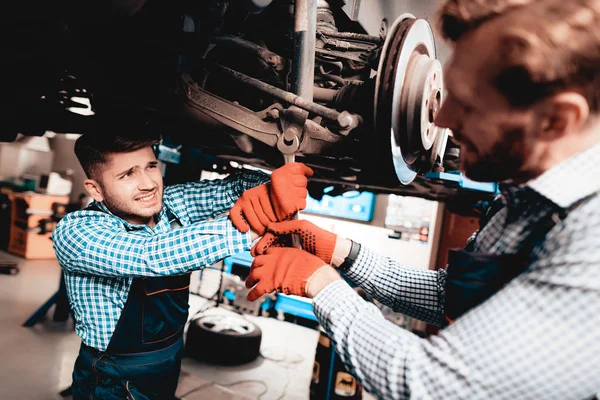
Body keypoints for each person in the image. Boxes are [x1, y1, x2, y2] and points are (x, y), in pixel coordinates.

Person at [241, 0, 600, 398]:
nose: (442, 119)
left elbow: (430, 384)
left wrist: (321, 283)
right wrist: (340, 252)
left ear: (557, 119)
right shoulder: (524, 200)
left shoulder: (592, 242)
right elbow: (446, 296)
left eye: (468, 103)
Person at [51, 132, 313, 400]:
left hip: (171, 356)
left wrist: (271, 186)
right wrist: (249, 230)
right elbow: (151, 255)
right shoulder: (77, 232)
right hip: (115, 375)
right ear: (95, 188)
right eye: (128, 174)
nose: (147, 184)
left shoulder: (170, 204)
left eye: (151, 166)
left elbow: (231, 187)